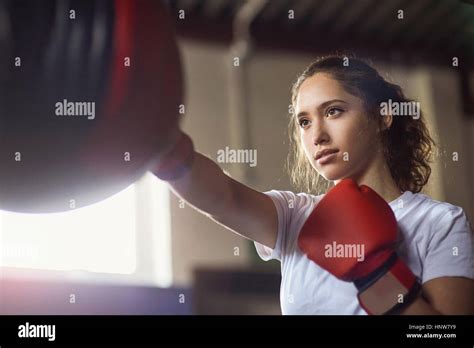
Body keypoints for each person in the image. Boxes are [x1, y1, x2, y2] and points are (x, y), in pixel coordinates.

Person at [152, 55, 474, 315]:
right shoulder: (296, 217)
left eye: (333, 111)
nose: (316, 135)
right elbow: (223, 197)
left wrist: (376, 274)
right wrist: (157, 145)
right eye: (304, 121)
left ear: (382, 117)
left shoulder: (439, 223)